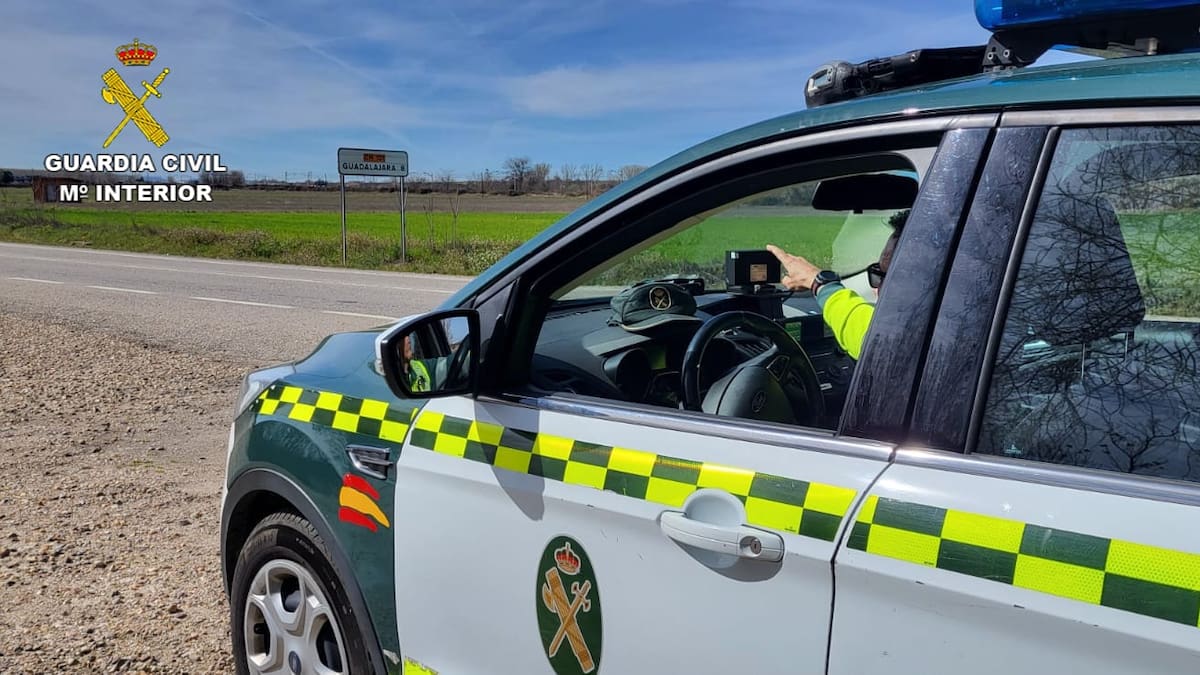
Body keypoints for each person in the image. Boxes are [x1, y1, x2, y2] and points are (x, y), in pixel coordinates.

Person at [767, 209, 908, 360]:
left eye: (892, 278)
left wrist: (820, 284)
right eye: (878, 273)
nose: (877, 289)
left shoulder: (908, 335)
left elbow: (876, 338)